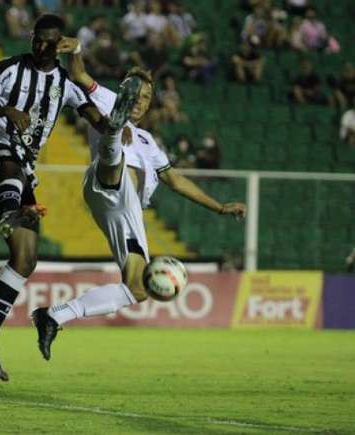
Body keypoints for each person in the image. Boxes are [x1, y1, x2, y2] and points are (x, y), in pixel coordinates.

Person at [30, 42, 246, 360]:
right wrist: (75, 46)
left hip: (124, 210)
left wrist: (219, 207)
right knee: (114, 149)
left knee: (137, 289)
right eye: (135, 94)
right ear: (123, 90)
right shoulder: (104, 96)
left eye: (145, 98)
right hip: (109, 179)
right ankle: (113, 131)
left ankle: (54, 316)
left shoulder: (149, 142)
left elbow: (175, 179)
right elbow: (77, 73)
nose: (140, 102)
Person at [0, 14, 130, 381]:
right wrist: (5, 109)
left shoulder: (65, 82)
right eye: (37, 40)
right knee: (11, 169)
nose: (41, 47)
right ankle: (10, 213)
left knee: (25, 258)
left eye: (50, 43)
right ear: (32, 37)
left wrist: (116, 128)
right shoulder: (9, 69)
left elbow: (94, 116)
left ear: (60, 44)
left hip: (23, 171)